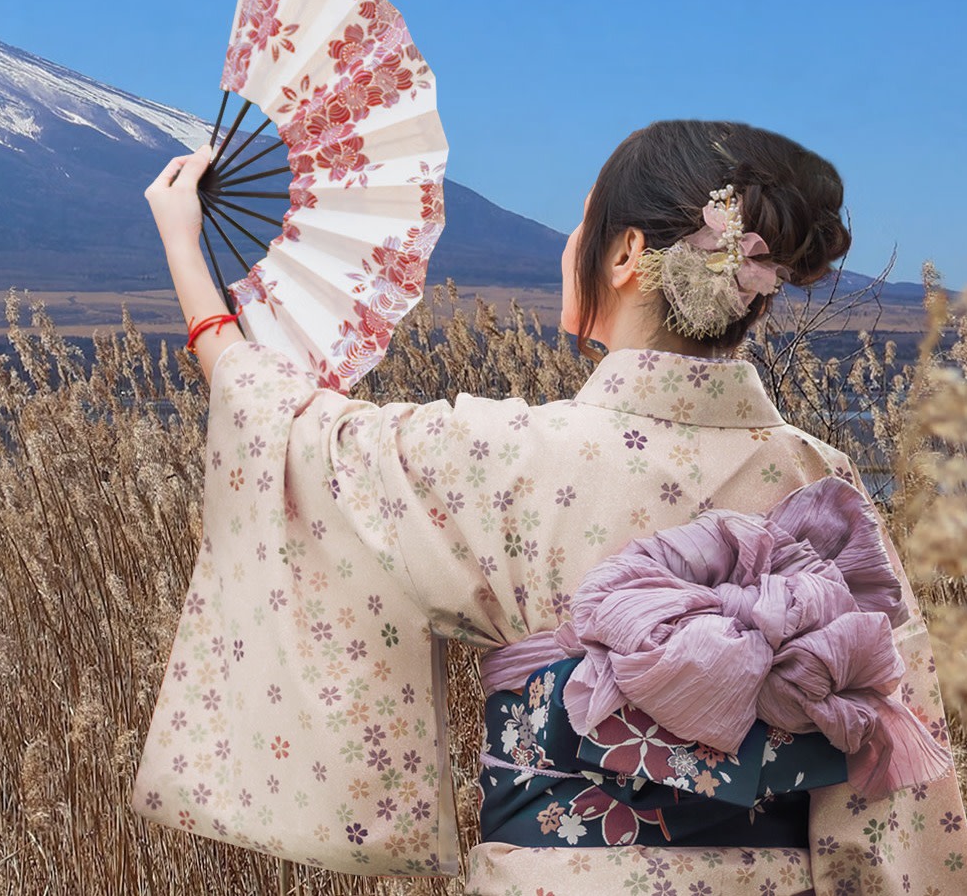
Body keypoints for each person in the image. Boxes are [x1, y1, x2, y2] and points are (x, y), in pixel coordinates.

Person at [134, 118, 966, 895]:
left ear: (625, 253)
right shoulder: (821, 481)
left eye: (581, 226)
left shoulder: (500, 454)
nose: (568, 244)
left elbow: (287, 431)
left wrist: (186, 249)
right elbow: (891, 757)